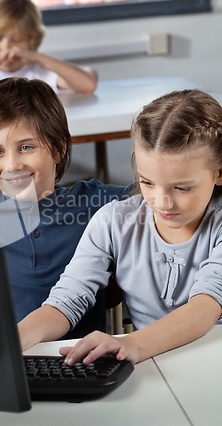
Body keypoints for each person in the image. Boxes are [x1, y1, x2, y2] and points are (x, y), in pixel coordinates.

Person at [18, 88, 222, 364]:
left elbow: (205, 306)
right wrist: (16, 337)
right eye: (147, 182)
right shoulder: (112, 221)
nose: (162, 202)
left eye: (182, 188)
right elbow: (66, 302)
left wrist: (131, 344)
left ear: (218, 173)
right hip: (154, 367)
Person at [0, 77, 128, 331]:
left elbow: (158, 191)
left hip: (80, 363)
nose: (12, 166)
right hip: (3, 363)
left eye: (26, 147)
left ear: (58, 149)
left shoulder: (96, 204)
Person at [0, 0, 97, 97]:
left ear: (32, 40)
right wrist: (0, 91)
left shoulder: (39, 70)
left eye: (16, 40)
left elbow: (88, 84)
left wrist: (40, 58)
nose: (6, 46)